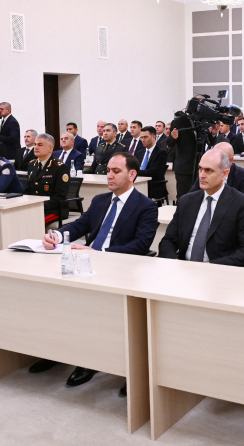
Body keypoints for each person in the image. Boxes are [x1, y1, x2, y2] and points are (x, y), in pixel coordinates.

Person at [41, 152, 158, 388]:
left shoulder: (146, 206)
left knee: (88, 305)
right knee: (51, 292)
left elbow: (141, 245)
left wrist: (99, 252)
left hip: (118, 267)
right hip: (87, 261)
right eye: (108, 171)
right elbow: (79, 225)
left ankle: (90, 360)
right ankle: (56, 349)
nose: (109, 175)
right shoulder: (100, 200)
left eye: (116, 171)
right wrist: (56, 236)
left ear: (132, 174)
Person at [159, 149, 244, 266]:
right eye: (200, 169)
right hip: (184, 269)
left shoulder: (241, 203)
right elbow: (168, 241)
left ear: (225, 174)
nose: (201, 175)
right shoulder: (186, 201)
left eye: (208, 170)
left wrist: (210, 266)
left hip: (219, 270)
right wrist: (175, 262)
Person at [23, 133, 70, 225]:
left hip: (53, 210)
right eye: (35, 144)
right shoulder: (32, 164)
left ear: (50, 148)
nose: (36, 147)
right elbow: (28, 190)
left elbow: (60, 196)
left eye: (40, 145)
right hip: (35, 207)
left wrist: (39, 206)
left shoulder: (60, 167)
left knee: (32, 222)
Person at [168, 109, 198, 196]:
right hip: (183, 167)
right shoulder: (178, 122)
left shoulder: (203, 121)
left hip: (199, 166)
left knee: (198, 196)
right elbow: (169, 142)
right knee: (183, 196)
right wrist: (173, 137)